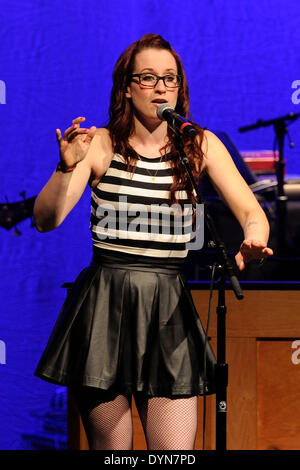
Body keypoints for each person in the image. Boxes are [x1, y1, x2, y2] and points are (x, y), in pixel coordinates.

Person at [34, 33, 273, 451]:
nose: (161, 87)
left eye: (170, 78)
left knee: (175, 455)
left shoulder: (198, 144)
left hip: (169, 309)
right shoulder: (100, 144)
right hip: (105, 306)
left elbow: (253, 213)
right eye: (148, 78)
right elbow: (45, 219)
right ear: (126, 87)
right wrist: (64, 167)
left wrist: (253, 240)